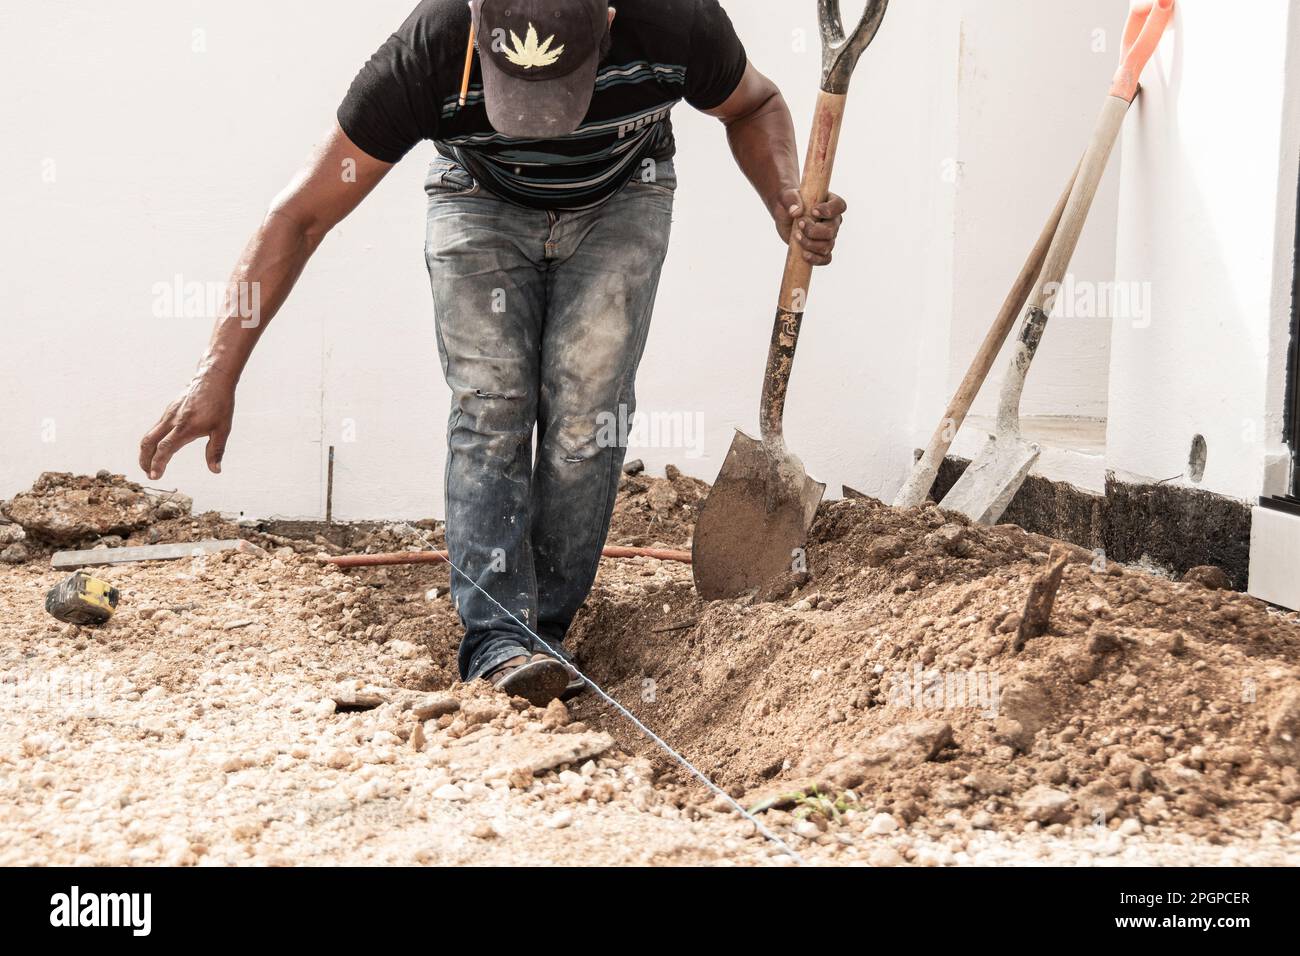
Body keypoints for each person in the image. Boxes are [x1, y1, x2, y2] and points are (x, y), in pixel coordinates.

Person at [138, 0, 848, 705]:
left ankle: (547, 630)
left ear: (607, 19)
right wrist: (216, 373)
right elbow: (298, 216)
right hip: (478, 199)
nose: (540, 114)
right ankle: (500, 640)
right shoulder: (431, 49)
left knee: (587, 412)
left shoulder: (674, 20)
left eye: (558, 89)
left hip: (622, 197)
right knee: (491, 404)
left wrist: (784, 197)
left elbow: (753, 105)